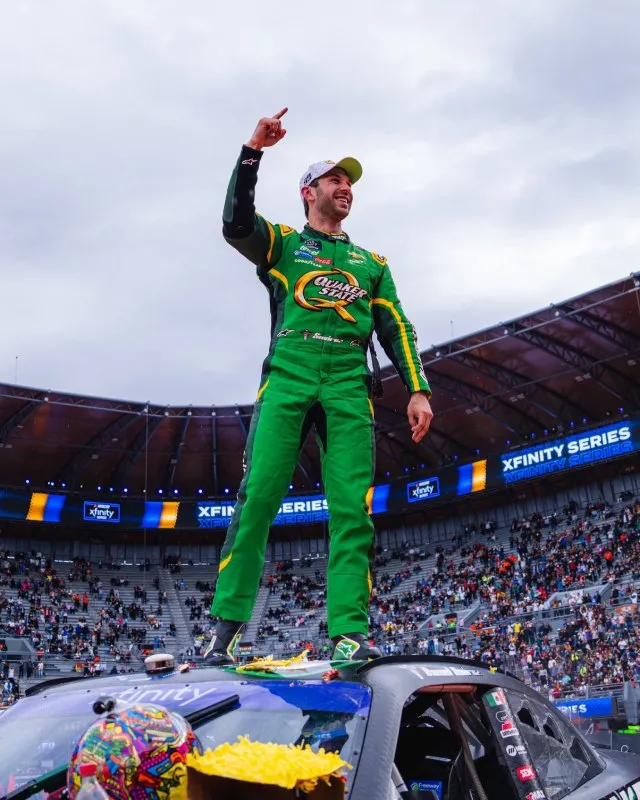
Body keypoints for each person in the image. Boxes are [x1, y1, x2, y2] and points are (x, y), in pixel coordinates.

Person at [205, 108, 433, 665]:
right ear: (308, 191)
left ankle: (349, 632)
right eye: (335, 179)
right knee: (258, 498)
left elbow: (395, 325)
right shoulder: (283, 244)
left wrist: (418, 388)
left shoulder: (371, 264)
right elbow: (236, 223)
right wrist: (252, 151)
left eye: (350, 182)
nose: (345, 187)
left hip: (350, 385)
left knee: (352, 509)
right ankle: (225, 630)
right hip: (288, 375)